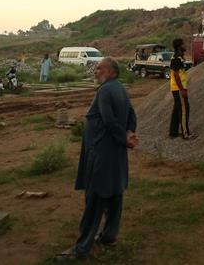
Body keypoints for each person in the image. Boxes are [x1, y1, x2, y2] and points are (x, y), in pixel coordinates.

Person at [59, 58, 138, 260]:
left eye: (100, 68)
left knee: (95, 198)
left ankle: (81, 248)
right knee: (114, 194)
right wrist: (129, 133)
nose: (95, 71)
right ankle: (109, 236)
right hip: (116, 154)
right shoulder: (120, 89)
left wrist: (124, 138)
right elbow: (131, 115)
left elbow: (109, 120)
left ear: (111, 72)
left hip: (102, 153)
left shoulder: (104, 90)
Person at [168, 39, 193, 140]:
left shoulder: (178, 57)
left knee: (177, 109)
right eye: (183, 44)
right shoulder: (175, 58)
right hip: (178, 88)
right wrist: (182, 89)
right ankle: (185, 134)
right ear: (179, 46)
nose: (184, 45)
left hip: (177, 88)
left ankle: (173, 132)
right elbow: (176, 75)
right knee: (184, 110)